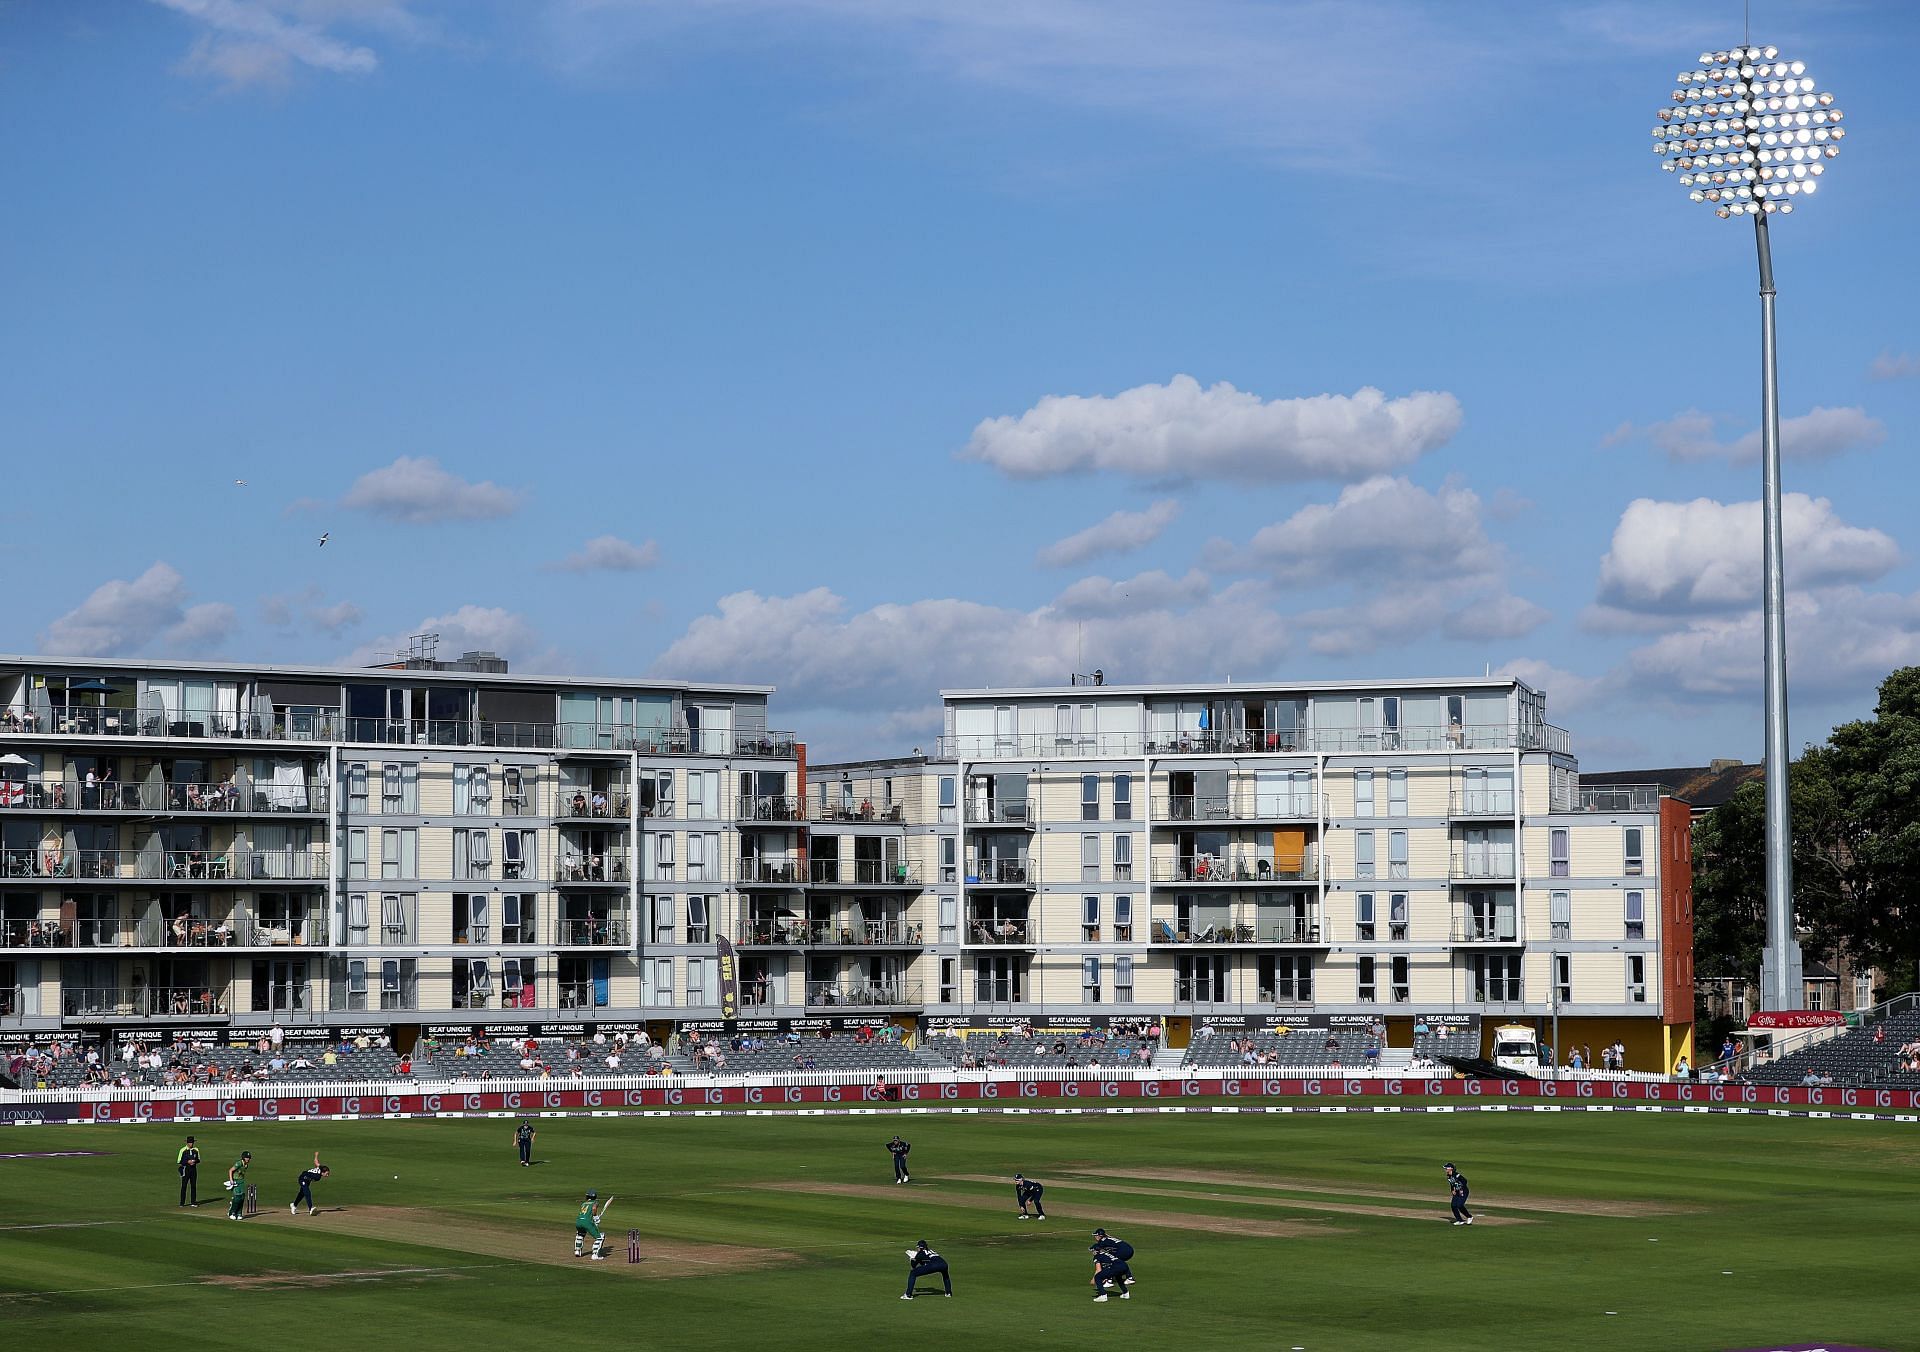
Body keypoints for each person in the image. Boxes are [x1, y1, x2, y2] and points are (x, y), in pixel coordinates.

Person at [290, 1152, 329, 1216]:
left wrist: (316, 1155)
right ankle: (310, 1208)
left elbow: (316, 1162)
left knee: (302, 1193)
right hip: (303, 1178)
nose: (327, 1175)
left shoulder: (321, 1168)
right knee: (307, 1192)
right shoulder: (317, 1177)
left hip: (307, 1180)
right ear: (323, 1172)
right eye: (326, 1174)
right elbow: (316, 1164)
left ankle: (294, 1205)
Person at [575, 1190, 608, 1260]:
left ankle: (577, 1251)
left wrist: (593, 1219)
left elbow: (586, 1213)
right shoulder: (594, 1202)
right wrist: (596, 1218)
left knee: (580, 1234)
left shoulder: (584, 1203)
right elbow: (594, 1208)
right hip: (587, 1222)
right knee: (599, 1237)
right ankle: (595, 1254)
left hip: (578, 1221)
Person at [225, 1149, 253, 1220]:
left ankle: (239, 1213)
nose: (248, 1159)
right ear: (243, 1157)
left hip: (241, 1181)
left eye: (249, 1158)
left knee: (242, 1197)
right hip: (235, 1181)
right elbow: (230, 1170)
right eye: (247, 1158)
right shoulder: (239, 1163)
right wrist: (231, 1180)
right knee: (237, 1197)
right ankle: (232, 1212)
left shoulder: (246, 1165)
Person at [177, 1134, 201, 1207]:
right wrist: (187, 1162)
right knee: (184, 1186)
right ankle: (182, 1203)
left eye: (192, 1142)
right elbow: (179, 1161)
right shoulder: (183, 1150)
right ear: (187, 1143)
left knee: (193, 1186)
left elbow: (198, 1160)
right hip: (185, 1169)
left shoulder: (196, 1150)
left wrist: (194, 1161)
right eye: (190, 1142)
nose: (191, 1144)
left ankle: (193, 1202)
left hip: (193, 1169)